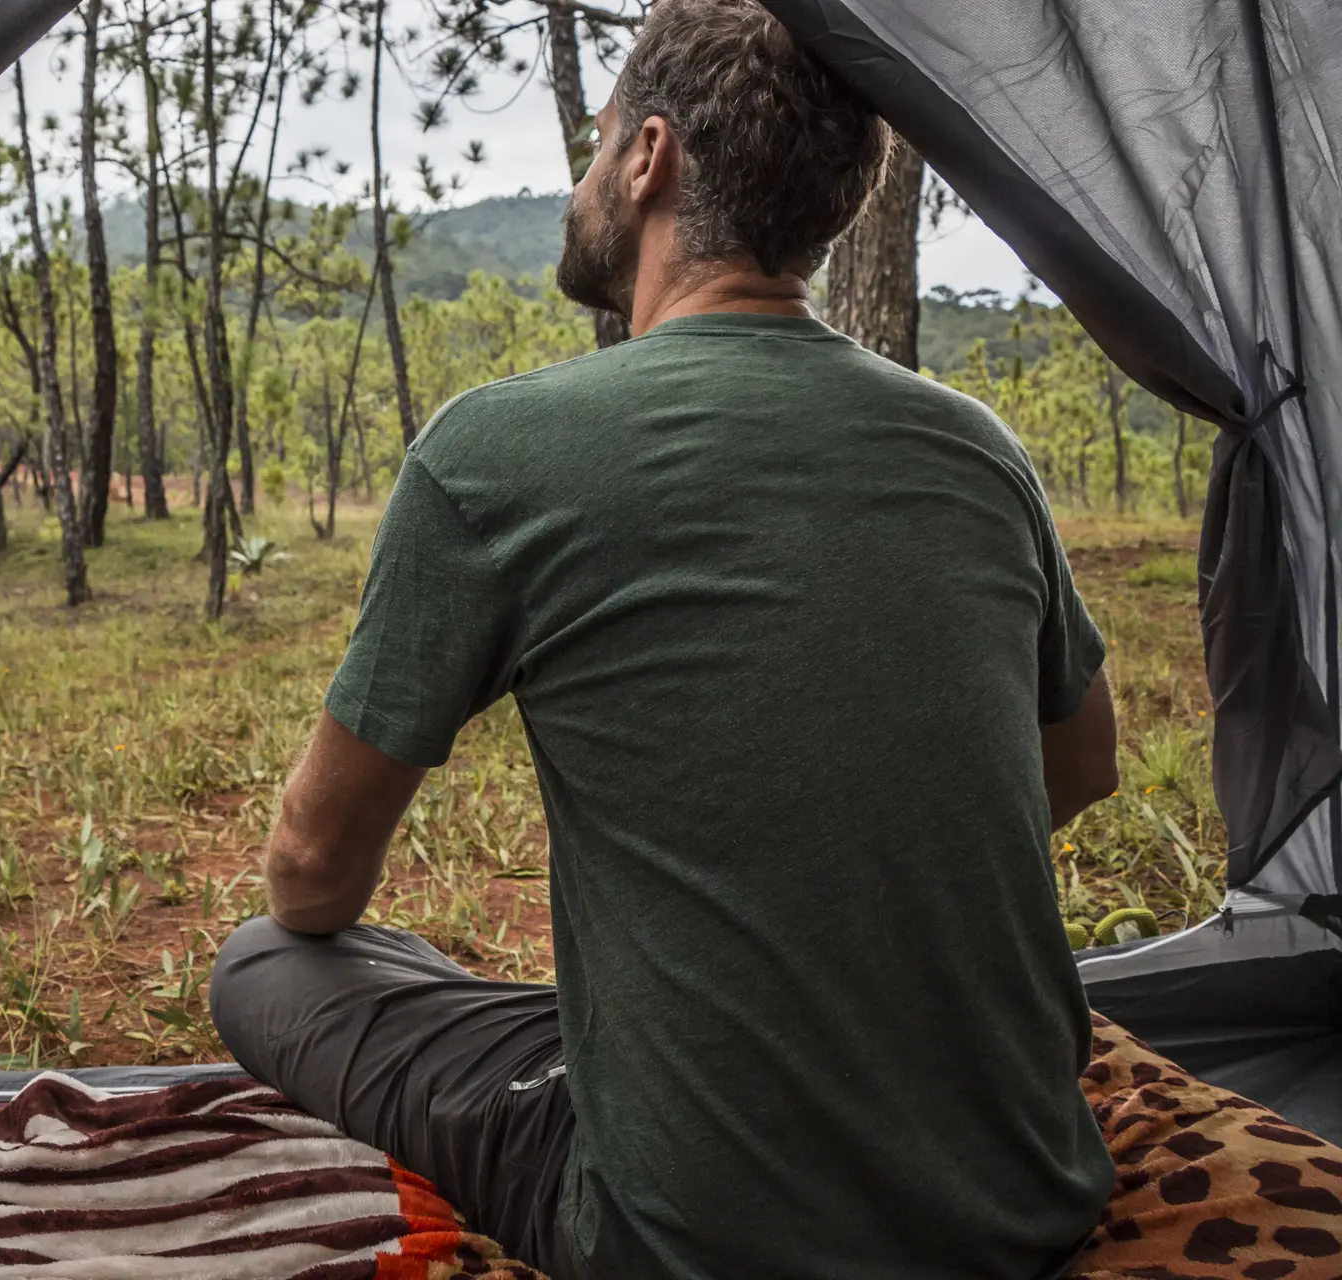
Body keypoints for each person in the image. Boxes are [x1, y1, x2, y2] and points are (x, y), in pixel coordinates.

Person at [208, 0, 1121, 1274]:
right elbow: (1078, 769)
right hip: (1025, 1192)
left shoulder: (495, 452)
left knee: (267, 962)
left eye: (592, 147)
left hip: (687, 1234)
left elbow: (310, 875)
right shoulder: (980, 450)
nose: (584, 178)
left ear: (647, 158)